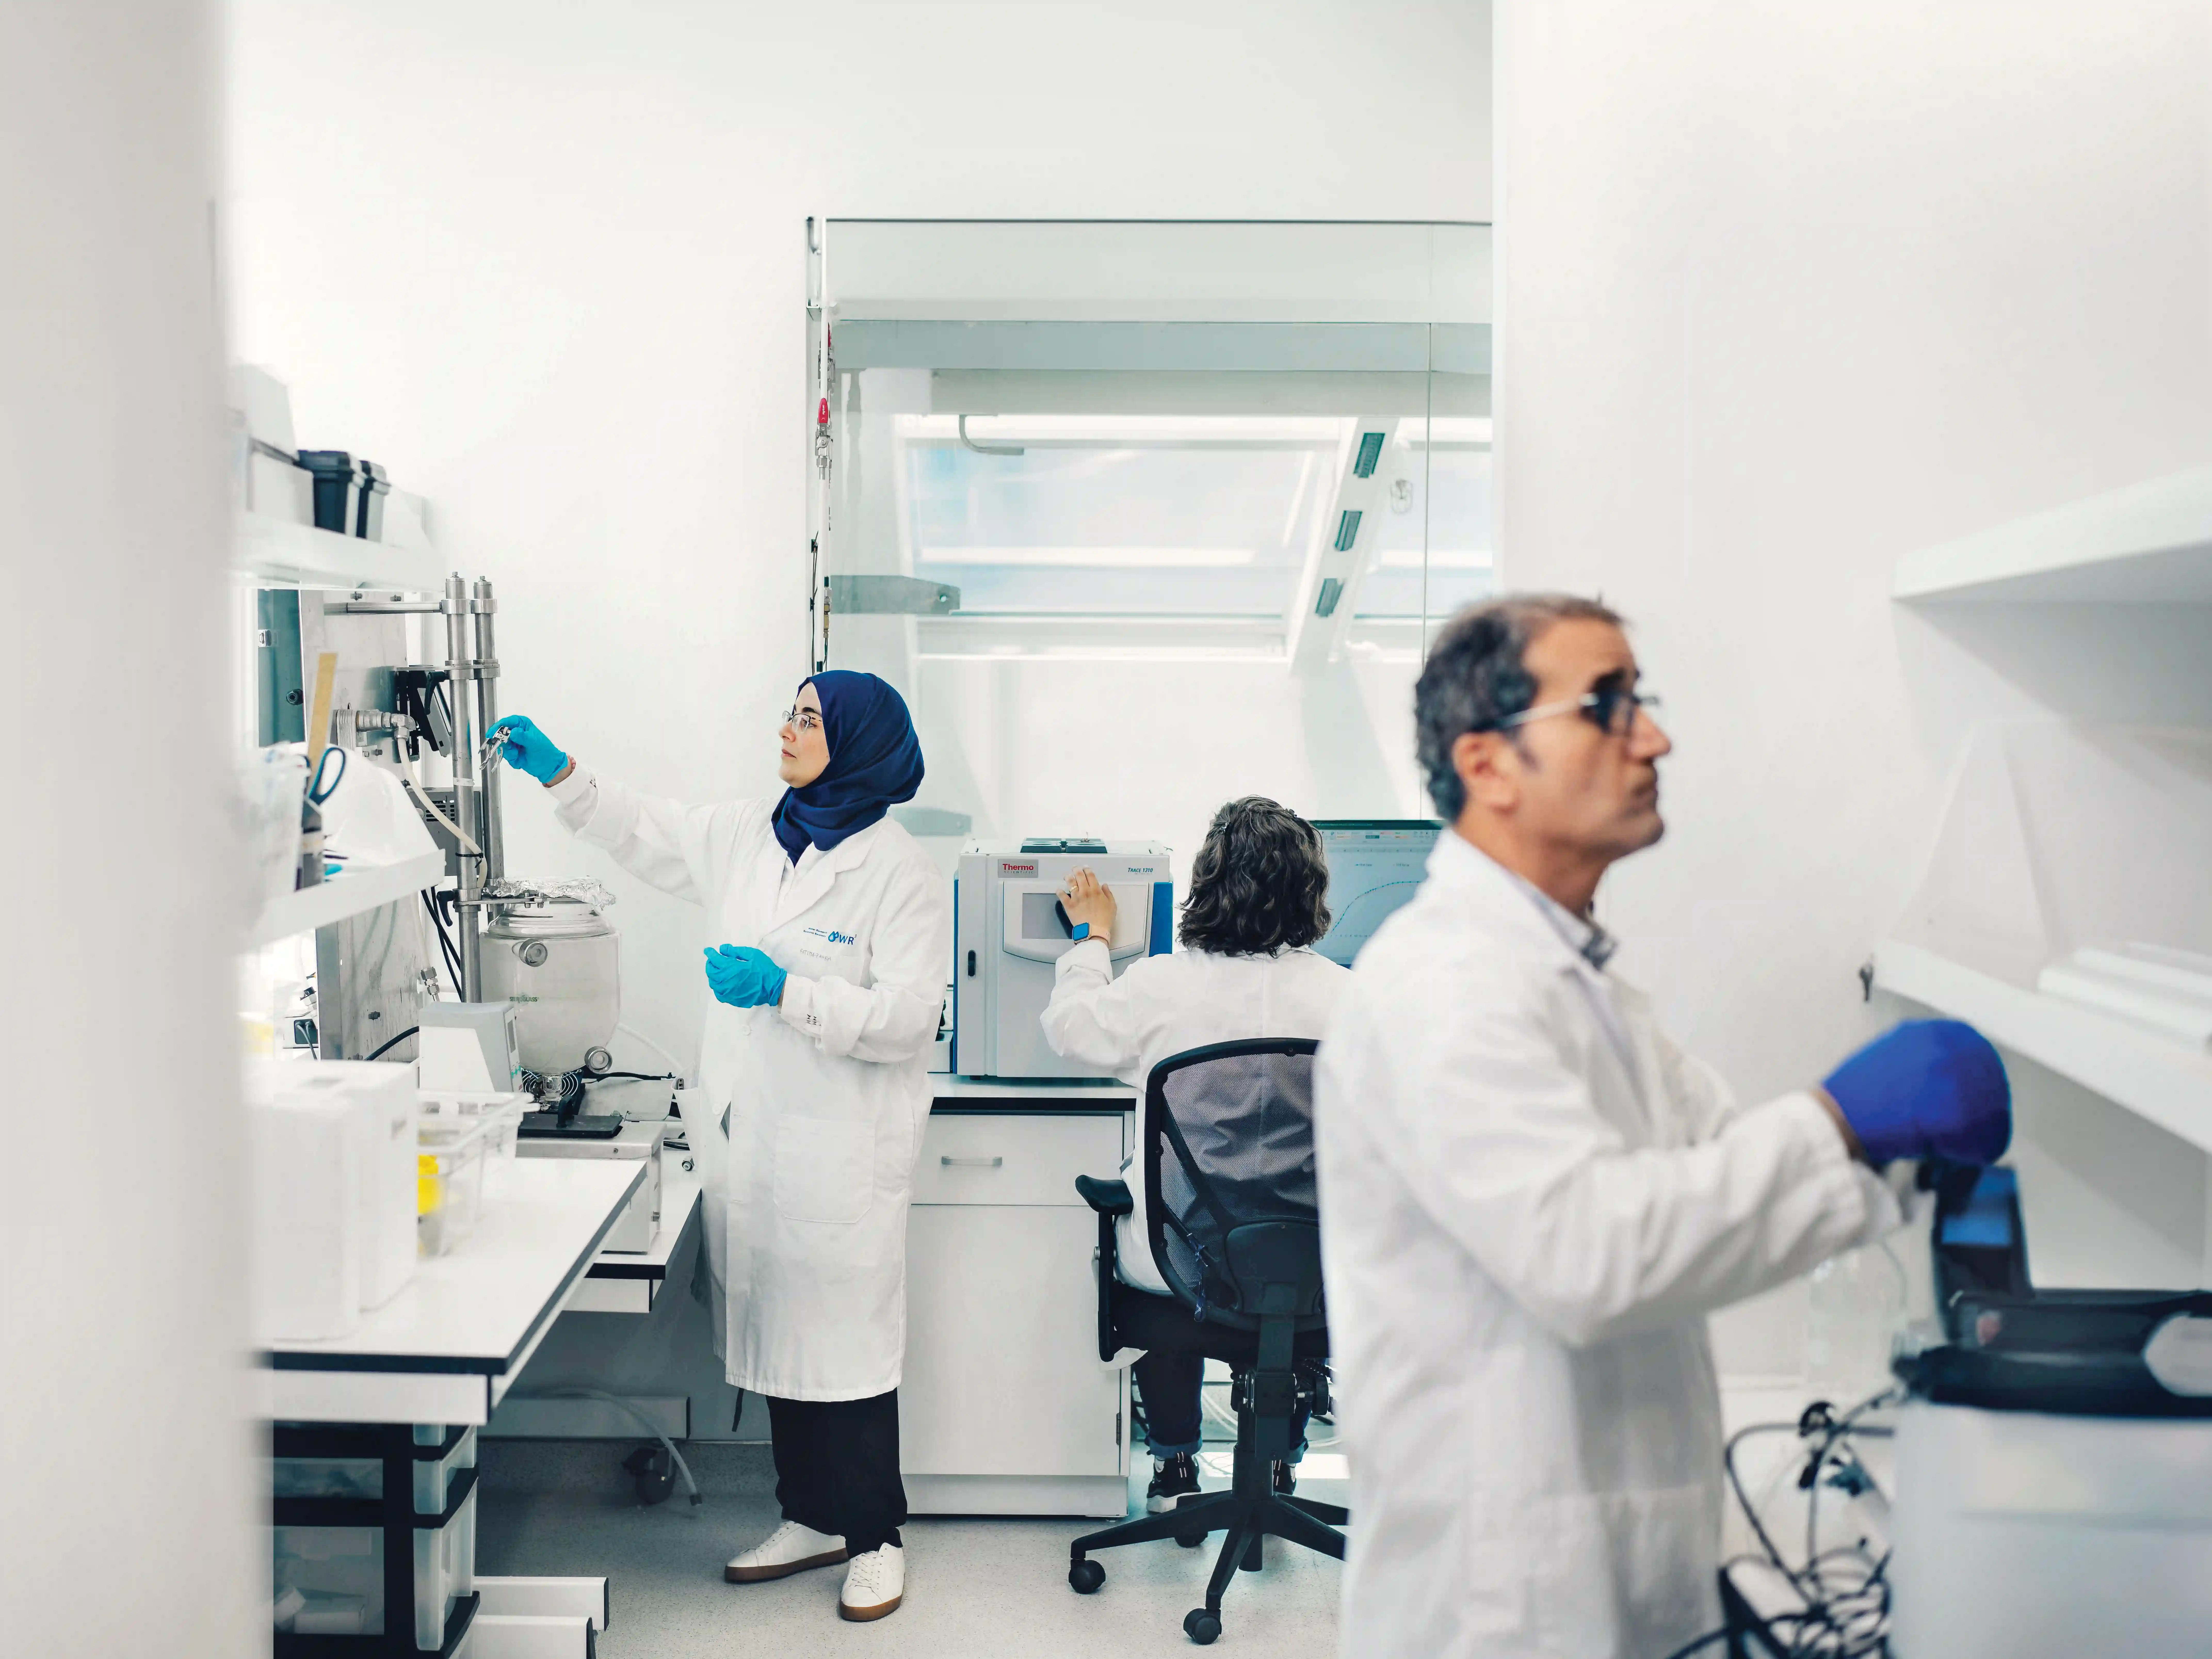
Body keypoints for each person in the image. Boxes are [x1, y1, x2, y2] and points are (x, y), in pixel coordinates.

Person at [1314, 595, 2011, 1659]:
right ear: (1487, 763)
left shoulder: (1576, 983)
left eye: (1642, 701)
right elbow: (1588, 1253)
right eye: (1606, 705)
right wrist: (1840, 1119)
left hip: (1613, 1563)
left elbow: (1715, 1174)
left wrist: (1901, 1160)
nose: (1653, 738)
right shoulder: (1443, 986)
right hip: (1497, 1606)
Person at [490, 671, 949, 1625]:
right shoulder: (751, 831)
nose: (788, 729)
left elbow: (910, 1019)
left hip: (841, 1151)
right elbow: (644, 828)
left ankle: (876, 1538)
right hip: (755, 1140)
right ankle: (809, 1517)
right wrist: (561, 771)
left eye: (810, 719)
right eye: (790, 711)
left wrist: (787, 990)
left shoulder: (898, 870)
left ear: (859, 743)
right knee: (779, 1340)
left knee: (847, 1359)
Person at [1039, 796, 1349, 1516]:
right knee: (1297, 1259)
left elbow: (1070, 1031)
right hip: (1315, 1275)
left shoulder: (1161, 987)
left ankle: (1174, 1464)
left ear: (1207, 884)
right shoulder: (1355, 999)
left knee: (1171, 1241)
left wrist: (1091, 938)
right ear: (1311, 890)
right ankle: (1277, 1467)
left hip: (1181, 1271)